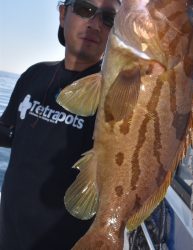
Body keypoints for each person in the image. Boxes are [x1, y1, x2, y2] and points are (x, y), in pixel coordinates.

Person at [0, 0, 120, 249]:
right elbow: (7, 132)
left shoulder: (117, 96)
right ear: (63, 14)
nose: (96, 24)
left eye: (109, 18)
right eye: (85, 9)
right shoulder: (34, 74)